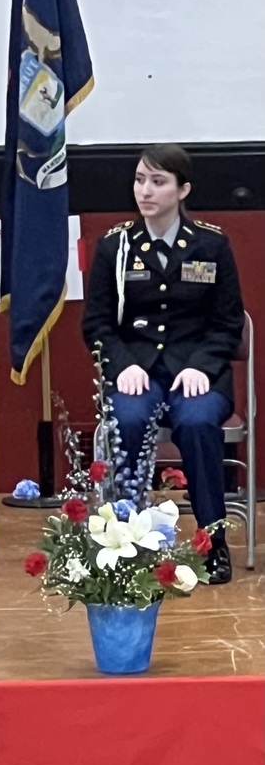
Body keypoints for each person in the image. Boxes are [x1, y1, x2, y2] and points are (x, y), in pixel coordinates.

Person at [82, 144, 244, 584]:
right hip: (138, 372)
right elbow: (96, 323)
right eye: (139, 180)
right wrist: (121, 365)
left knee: (196, 424)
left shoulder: (211, 244)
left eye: (158, 181)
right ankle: (127, 542)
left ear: (182, 189)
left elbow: (228, 323)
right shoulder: (115, 246)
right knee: (129, 420)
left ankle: (212, 542)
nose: (145, 191)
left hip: (198, 373)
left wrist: (202, 365)